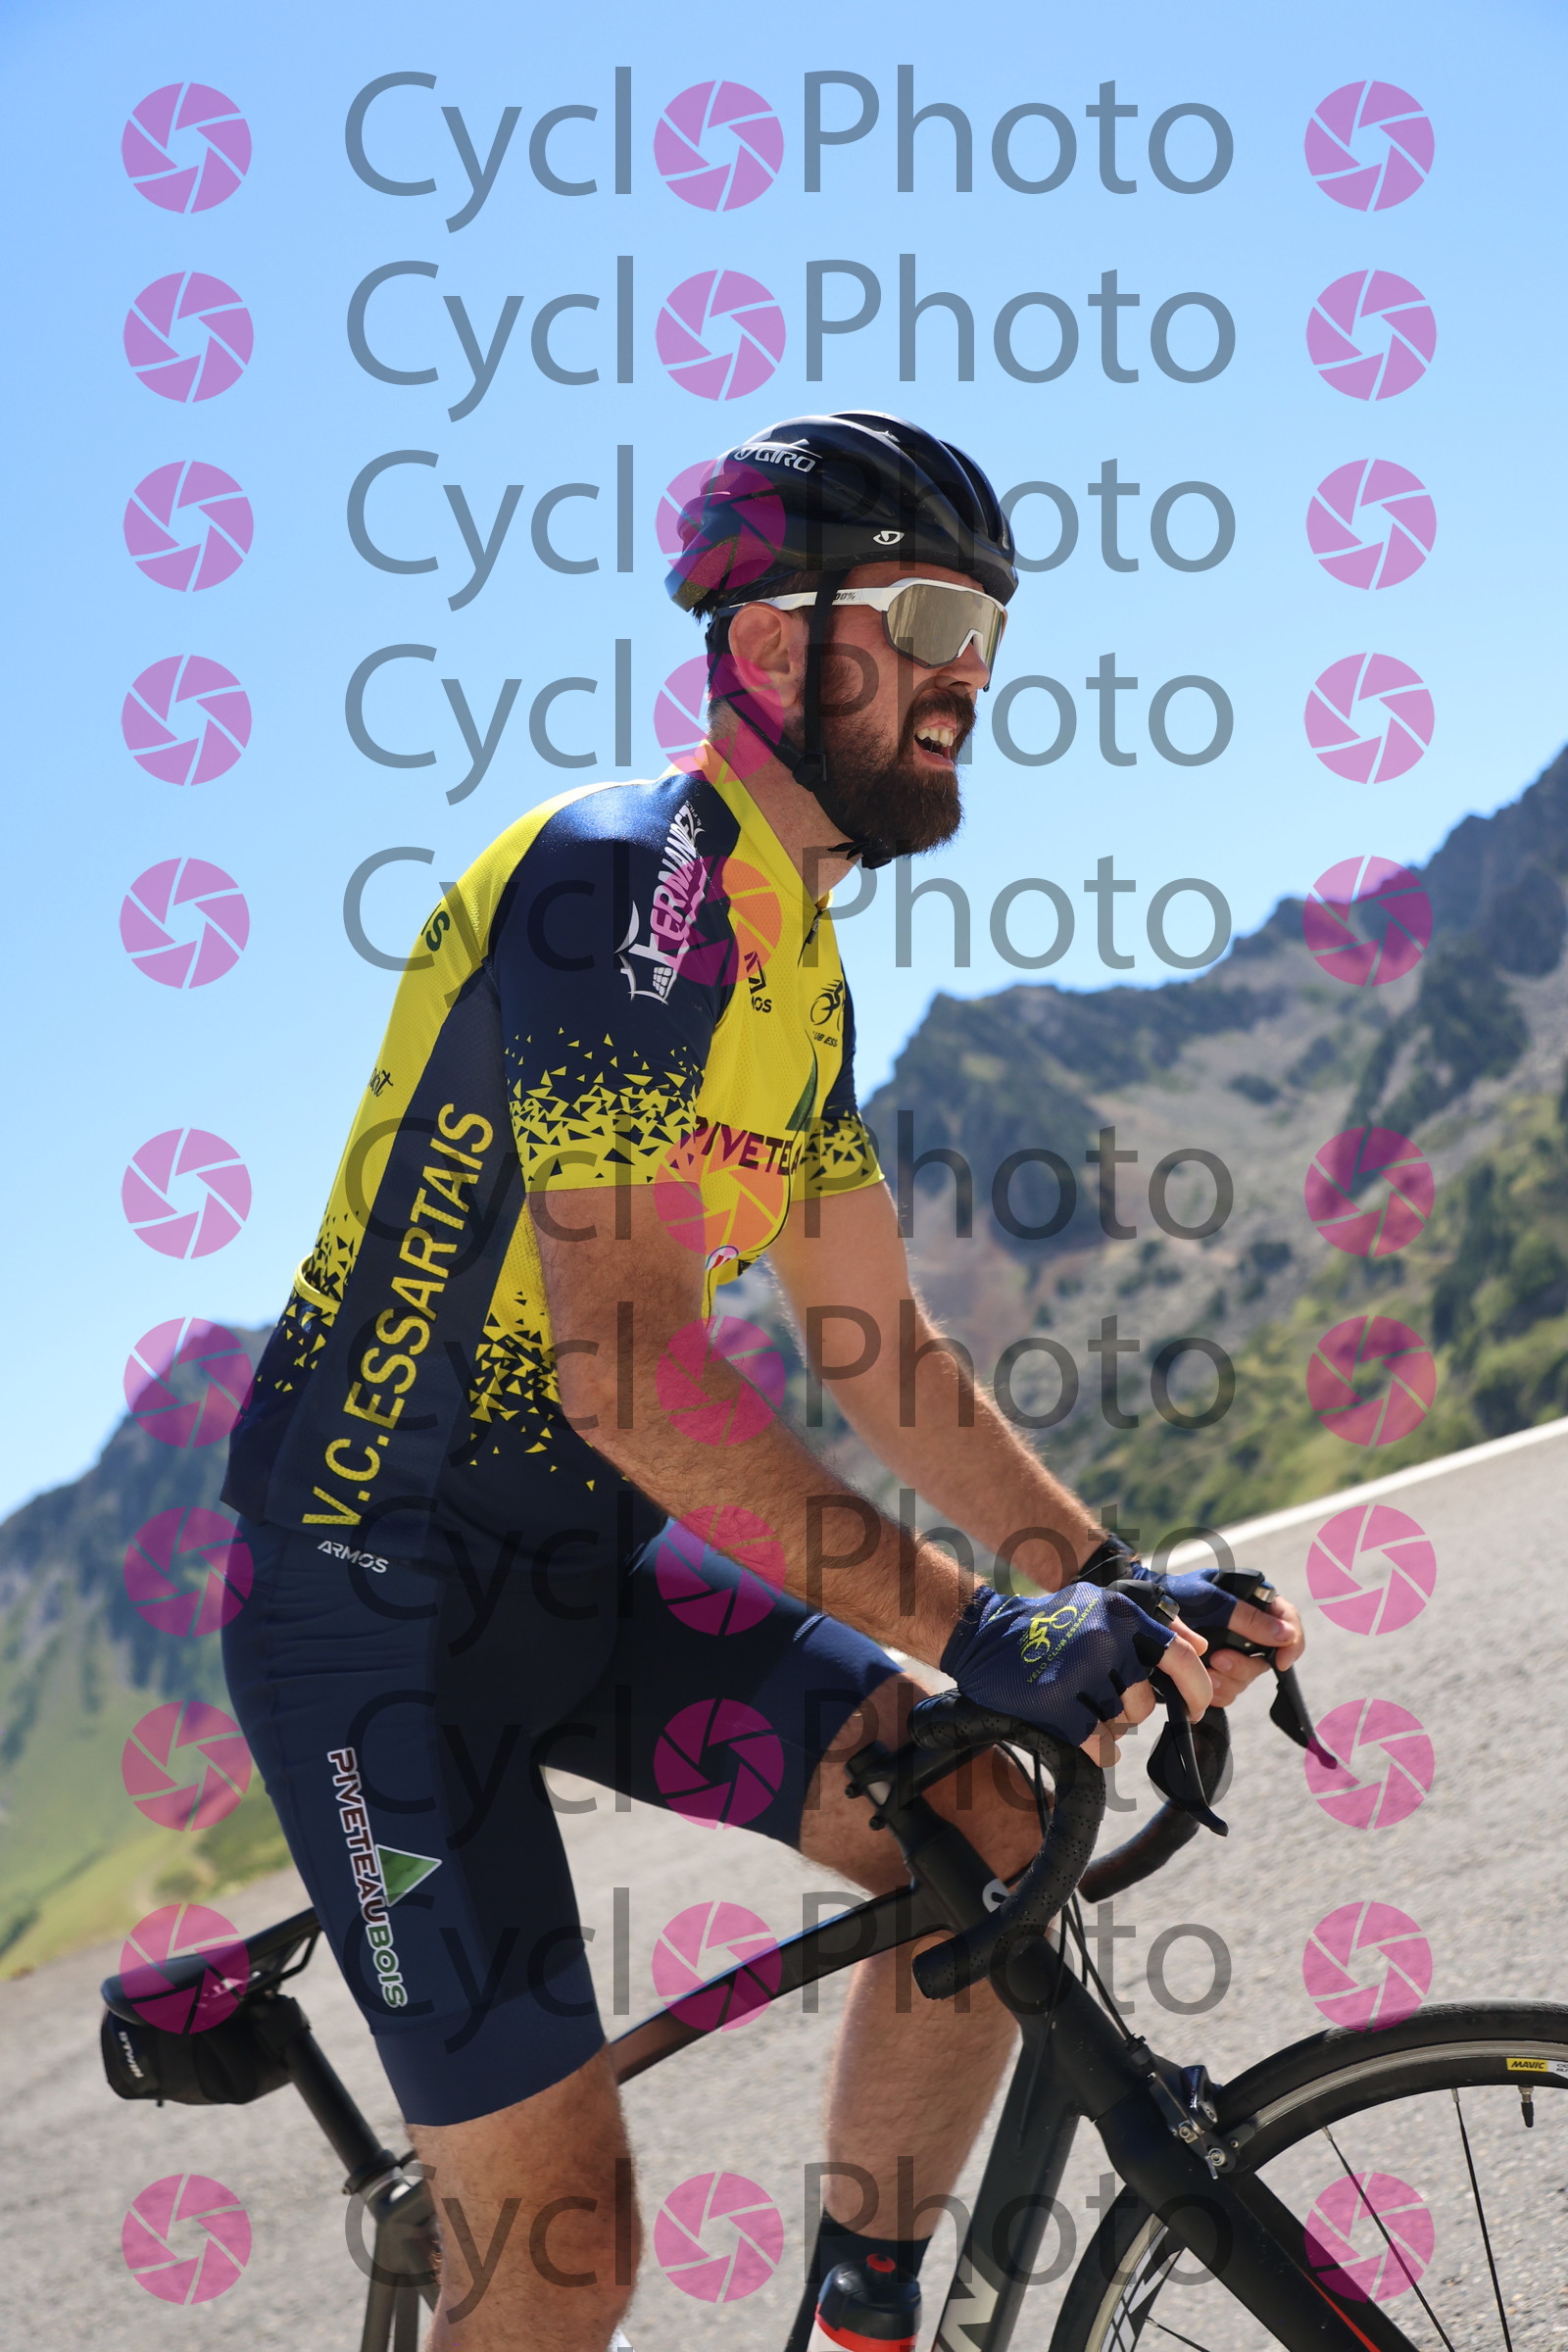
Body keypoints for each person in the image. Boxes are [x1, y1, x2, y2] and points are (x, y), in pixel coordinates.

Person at [220, 410, 1302, 2352]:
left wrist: (1109, 1588)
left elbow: (884, 1353)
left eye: (991, 630)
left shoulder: (794, 963)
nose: (973, 672)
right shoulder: (617, 889)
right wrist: (984, 1627)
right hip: (371, 1607)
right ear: (775, 641)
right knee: (563, 2252)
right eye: (932, 617)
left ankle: (861, 2320)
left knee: (982, 1819)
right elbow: (630, 1372)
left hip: (591, 1567)